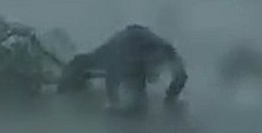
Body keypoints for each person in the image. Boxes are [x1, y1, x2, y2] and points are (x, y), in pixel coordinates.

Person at [58, 25, 187, 112]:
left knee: (138, 101)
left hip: (138, 40)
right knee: (91, 61)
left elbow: (181, 76)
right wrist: (113, 101)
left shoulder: (167, 52)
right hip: (124, 43)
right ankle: (69, 78)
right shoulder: (126, 55)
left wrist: (171, 96)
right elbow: (112, 75)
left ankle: (74, 76)